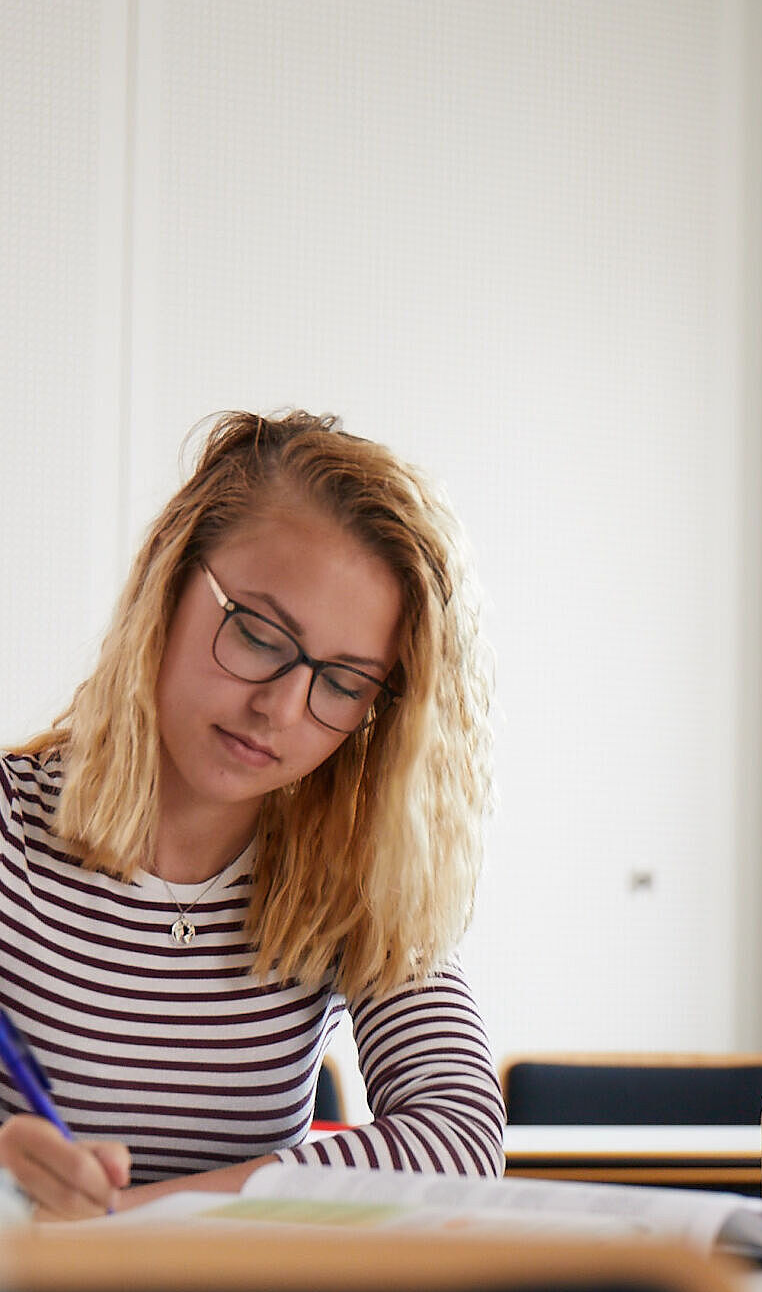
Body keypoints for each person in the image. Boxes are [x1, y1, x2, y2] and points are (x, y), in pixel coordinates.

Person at [0, 409, 503, 1217]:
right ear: (168, 581)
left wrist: (134, 1223)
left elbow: (461, 1138)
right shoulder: (8, 833)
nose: (280, 707)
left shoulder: (353, 871)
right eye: (262, 636)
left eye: (342, 684)